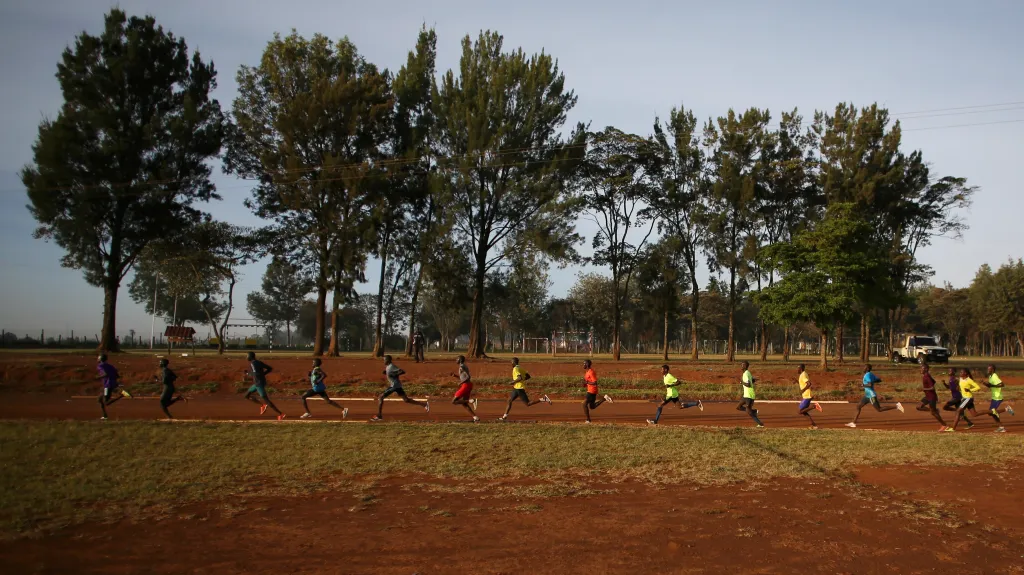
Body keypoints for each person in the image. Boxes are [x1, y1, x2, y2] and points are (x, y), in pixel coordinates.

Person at [371, 355, 429, 421]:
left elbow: (402, 371)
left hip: (394, 386)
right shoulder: (388, 367)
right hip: (397, 385)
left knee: (381, 397)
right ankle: (424, 405)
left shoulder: (391, 366)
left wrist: (394, 374)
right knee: (406, 400)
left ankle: (379, 415)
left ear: (388, 360)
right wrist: (386, 373)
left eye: (385, 360)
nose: (384, 361)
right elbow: (392, 373)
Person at [846, 364, 903, 428]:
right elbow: (879, 380)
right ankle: (853, 423)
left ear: (867, 368)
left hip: (871, 396)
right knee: (858, 406)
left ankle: (896, 406)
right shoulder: (870, 374)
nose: (863, 368)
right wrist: (872, 381)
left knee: (879, 409)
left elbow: (870, 385)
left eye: (864, 367)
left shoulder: (867, 375)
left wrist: (863, 385)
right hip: (867, 396)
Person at [500, 357, 551, 421]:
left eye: (511, 362)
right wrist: (521, 380)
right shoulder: (520, 368)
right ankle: (504, 417)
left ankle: (544, 399)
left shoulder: (515, 369)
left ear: (513, 362)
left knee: (528, 403)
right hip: (517, 388)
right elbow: (528, 376)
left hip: (519, 388)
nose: (511, 363)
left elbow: (519, 378)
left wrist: (512, 382)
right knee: (509, 400)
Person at [244, 352, 285, 420]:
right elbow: (269, 368)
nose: (246, 357)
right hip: (258, 383)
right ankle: (262, 405)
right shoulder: (259, 362)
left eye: (247, 356)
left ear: (250, 357)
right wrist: (263, 374)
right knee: (246, 395)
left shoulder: (252, 364)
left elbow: (255, 374)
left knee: (266, 400)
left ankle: (281, 414)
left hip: (258, 384)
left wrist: (248, 373)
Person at [915, 363, 948, 431]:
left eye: (922, 368)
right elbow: (934, 381)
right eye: (920, 368)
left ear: (926, 369)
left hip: (932, 397)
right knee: (918, 406)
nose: (920, 369)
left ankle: (944, 425)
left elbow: (932, 388)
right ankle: (934, 410)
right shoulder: (926, 376)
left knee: (933, 413)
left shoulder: (927, 377)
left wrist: (924, 389)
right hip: (927, 396)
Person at [97, 354, 131, 420]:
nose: (97, 359)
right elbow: (117, 375)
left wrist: (98, 377)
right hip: (113, 383)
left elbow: (105, 374)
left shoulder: (100, 366)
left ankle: (122, 395)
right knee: (99, 399)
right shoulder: (111, 366)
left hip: (107, 385)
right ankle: (105, 415)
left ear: (100, 359)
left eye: (98, 358)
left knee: (106, 402)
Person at [983, 364, 1015, 428]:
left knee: (992, 412)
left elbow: (1002, 384)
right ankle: (1000, 426)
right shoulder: (990, 376)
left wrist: (992, 386)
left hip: (998, 397)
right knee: (991, 413)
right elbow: (990, 386)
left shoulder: (995, 376)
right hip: (994, 397)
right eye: (988, 369)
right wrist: (984, 383)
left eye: (989, 369)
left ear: (993, 370)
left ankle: (1006, 410)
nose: (988, 370)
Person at [735, 361, 765, 428]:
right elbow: (752, 380)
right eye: (741, 364)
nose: (741, 366)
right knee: (738, 407)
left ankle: (760, 424)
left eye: (743, 365)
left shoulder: (746, 374)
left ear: (745, 366)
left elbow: (748, 384)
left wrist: (742, 382)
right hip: (746, 395)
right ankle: (754, 411)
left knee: (749, 412)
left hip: (749, 395)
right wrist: (754, 380)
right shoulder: (748, 373)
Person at [451, 355, 479, 422]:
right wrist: (455, 376)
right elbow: (463, 377)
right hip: (468, 385)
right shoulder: (463, 366)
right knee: (464, 403)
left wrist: (461, 383)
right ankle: (475, 417)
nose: (456, 360)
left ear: (460, 360)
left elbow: (468, 377)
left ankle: (471, 400)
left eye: (457, 359)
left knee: (453, 401)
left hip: (465, 386)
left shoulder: (462, 366)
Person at [796, 364, 823, 429]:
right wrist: (797, 382)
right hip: (806, 395)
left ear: (801, 369)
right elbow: (803, 383)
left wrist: (803, 390)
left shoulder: (803, 375)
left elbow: (809, 384)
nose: (797, 370)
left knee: (800, 411)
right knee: (804, 412)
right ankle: (814, 425)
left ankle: (814, 406)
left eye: (798, 368)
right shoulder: (804, 374)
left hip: (807, 395)